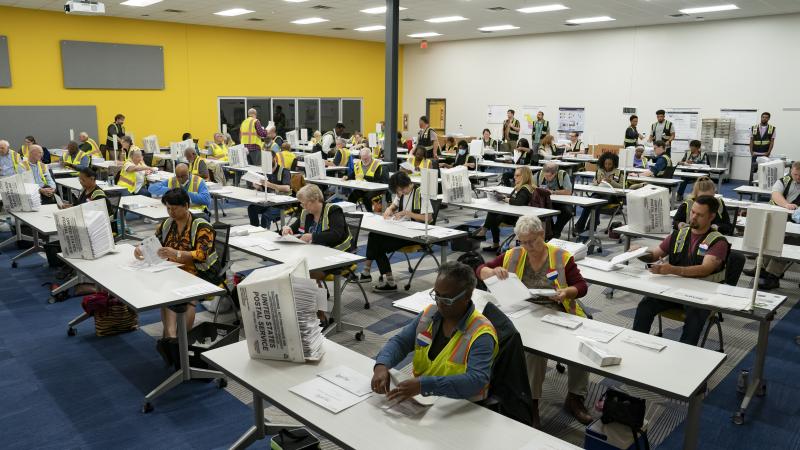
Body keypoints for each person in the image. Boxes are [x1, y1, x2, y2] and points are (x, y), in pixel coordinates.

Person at [477, 215, 591, 426]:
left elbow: (581, 286)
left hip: (558, 310)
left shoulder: (560, 256)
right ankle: (532, 402)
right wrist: (492, 271)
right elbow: (480, 269)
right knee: (533, 351)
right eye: (523, 242)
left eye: (532, 241)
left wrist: (567, 292)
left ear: (542, 233)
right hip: (525, 310)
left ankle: (575, 397)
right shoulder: (514, 254)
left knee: (581, 345)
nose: (528, 247)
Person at [371, 262, 498, 402]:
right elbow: (400, 342)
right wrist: (381, 365)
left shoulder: (481, 333)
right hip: (424, 399)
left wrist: (424, 385)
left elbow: (476, 380)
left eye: (447, 299)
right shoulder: (429, 315)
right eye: (436, 295)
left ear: (467, 296)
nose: (439, 303)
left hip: (461, 405)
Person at [134, 188, 220, 367]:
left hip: (201, 272)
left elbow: (202, 255)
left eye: (174, 208)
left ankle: (178, 339)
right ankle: (172, 338)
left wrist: (177, 253)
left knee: (184, 296)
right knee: (167, 292)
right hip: (174, 269)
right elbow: (154, 240)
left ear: (186, 206)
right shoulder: (167, 224)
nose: (170, 212)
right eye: (168, 208)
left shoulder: (202, 226)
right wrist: (141, 248)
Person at [632, 195, 728, 344]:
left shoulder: (718, 241)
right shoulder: (679, 235)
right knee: (645, 305)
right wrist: (639, 252)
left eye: (700, 215)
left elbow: (705, 269)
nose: (693, 217)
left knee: (694, 317)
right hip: (674, 290)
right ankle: (636, 344)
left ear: (711, 217)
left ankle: (685, 354)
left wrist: (672, 270)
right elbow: (654, 255)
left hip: (701, 295)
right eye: (693, 212)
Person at [282, 184, 353, 322]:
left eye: (305, 204)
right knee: (296, 271)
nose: (303, 207)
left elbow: (336, 234)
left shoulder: (333, 210)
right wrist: (287, 229)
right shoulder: (306, 213)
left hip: (337, 255)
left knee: (308, 275)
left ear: (315, 200)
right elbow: (294, 228)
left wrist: (313, 236)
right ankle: (307, 309)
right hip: (315, 255)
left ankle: (320, 316)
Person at [358, 172, 432, 290]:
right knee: (374, 235)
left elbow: (428, 218)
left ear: (406, 185)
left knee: (378, 245)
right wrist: (389, 209)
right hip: (401, 229)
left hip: (416, 234)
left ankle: (380, 278)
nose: (399, 194)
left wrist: (407, 213)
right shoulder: (401, 192)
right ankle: (372, 274)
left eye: (400, 190)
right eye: (397, 192)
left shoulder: (420, 193)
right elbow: (394, 205)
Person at [750, 162, 800, 290]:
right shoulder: (784, 180)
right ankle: (760, 269)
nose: (798, 177)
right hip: (780, 219)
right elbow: (775, 194)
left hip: (796, 226)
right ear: (791, 171)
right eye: (795, 174)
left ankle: (772, 276)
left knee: (787, 243)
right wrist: (786, 205)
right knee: (768, 238)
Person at [474, 167, 534, 252]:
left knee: (493, 217)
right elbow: (513, 199)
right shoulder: (521, 187)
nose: (514, 177)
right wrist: (503, 197)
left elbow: (518, 202)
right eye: (514, 175)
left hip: (518, 217)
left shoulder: (525, 189)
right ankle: (485, 232)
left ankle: (486, 234)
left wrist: (506, 199)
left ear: (524, 176)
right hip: (515, 213)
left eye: (517, 175)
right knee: (493, 212)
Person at [574, 152, 626, 234]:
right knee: (589, 204)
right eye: (606, 164)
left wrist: (611, 181)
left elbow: (622, 187)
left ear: (614, 164)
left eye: (610, 164)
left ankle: (590, 228)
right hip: (598, 193)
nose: (607, 166)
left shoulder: (619, 173)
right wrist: (598, 181)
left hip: (612, 196)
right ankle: (579, 226)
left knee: (596, 205)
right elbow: (594, 183)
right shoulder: (599, 171)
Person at [247, 152, 292, 228]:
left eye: (268, 160)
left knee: (265, 216)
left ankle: (265, 233)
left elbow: (287, 188)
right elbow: (264, 188)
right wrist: (258, 186)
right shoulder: (266, 172)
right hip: (268, 201)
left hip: (281, 204)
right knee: (252, 208)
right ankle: (255, 229)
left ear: (275, 159)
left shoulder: (284, 171)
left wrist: (269, 184)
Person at [535, 162, 573, 238]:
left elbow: (568, 191)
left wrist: (552, 192)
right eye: (545, 175)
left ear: (555, 173)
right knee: (544, 212)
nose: (546, 178)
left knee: (568, 212)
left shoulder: (563, 175)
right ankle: (551, 233)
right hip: (546, 202)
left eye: (549, 176)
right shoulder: (539, 174)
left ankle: (555, 232)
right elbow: (532, 186)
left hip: (562, 202)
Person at [343, 147, 384, 212]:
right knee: (352, 196)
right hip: (362, 187)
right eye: (362, 158)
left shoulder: (376, 165)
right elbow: (354, 174)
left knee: (366, 198)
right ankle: (351, 213)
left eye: (366, 158)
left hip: (374, 188)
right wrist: (347, 177)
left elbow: (377, 180)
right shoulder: (358, 164)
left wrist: (364, 177)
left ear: (370, 156)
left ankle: (370, 213)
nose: (364, 160)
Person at [749, 112, 776, 184]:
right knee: (753, 171)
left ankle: (763, 185)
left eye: (766, 117)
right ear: (761, 117)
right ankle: (751, 185)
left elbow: (772, 142)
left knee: (764, 171)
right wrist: (751, 152)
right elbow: (751, 140)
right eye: (763, 117)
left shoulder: (772, 129)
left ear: (769, 119)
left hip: (765, 153)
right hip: (755, 153)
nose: (764, 118)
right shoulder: (754, 128)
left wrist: (768, 152)